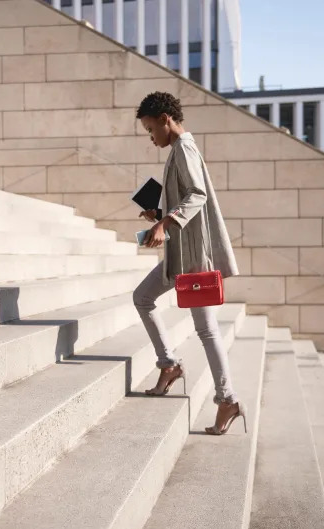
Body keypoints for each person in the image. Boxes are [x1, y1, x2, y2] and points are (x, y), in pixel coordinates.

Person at [133, 91, 246, 436]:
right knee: (144, 298)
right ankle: (170, 366)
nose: (152, 138)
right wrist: (158, 213)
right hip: (182, 257)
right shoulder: (180, 149)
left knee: (206, 329)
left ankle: (226, 398)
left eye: (152, 129)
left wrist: (164, 224)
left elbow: (197, 194)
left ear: (166, 119)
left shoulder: (184, 148)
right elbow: (186, 197)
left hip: (192, 260)